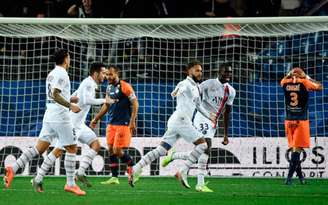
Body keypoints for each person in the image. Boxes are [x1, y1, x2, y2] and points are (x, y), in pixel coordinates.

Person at [3, 49, 85, 196]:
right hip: (60, 116)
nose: (70, 60)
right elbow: (55, 94)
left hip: (49, 115)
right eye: (69, 57)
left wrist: (69, 98)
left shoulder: (52, 73)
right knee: (72, 148)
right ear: (65, 59)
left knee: (39, 148)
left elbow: (54, 93)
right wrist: (70, 105)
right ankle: (71, 184)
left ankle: (13, 168)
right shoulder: (62, 73)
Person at [128, 60, 216, 189]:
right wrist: (178, 91)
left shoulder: (196, 88)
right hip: (181, 119)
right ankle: (183, 171)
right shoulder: (185, 83)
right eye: (197, 70)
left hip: (176, 121)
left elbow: (198, 105)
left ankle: (135, 168)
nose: (200, 73)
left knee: (161, 150)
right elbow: (177, 91)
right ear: (189, 71)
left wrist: (209, 116)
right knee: (203, 145)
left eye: (201, 71)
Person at [31, 62, 115, 189]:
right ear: (96, 73)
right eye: (103, 73)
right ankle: (38, 178)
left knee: (96, 145)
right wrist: (105, 100)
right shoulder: (88, 83)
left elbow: (75, 95)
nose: (105, 76)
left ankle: (80, 172)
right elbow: (87, 101)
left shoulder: (88, 83)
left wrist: (71, 99)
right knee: (58, 151)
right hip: (72, 124)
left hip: (80, 124)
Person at [161, 63, 236, 192]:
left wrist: (225, 134)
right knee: (206, 147)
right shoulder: (209, 83)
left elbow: (227, 112)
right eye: (225, 72)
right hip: (202, 117)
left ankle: (174, 156)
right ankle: (197, 182)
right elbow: (193, 93)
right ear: (219, 72)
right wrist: (186, 111)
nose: (227, 74)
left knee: (202, 151)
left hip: (213, 122)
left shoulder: (231, 91)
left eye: (230, 72)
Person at [90, 65, 138, 185]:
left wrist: (132, 121)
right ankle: (114, 177)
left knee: (117, 150)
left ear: (117, 73)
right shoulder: (109, 88)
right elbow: (106, 105)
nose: (108, 77)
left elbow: (135, 104)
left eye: (110, 74)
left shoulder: (125, 86)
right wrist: (96, 118)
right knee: (111, 149)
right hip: (111, 123)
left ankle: (133, 166)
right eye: (106, 74)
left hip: (123, 123)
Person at [280, 67, 323, 185]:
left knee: (295, 149)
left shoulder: (285, 83)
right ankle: (288, 178)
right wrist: (307, 77)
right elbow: (320, 87)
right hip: (301, 121)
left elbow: (283, 80)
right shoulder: (304, 82)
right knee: (297, 151)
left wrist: (289, 74)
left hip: (288, 121)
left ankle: (301, 178)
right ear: (301, 75)